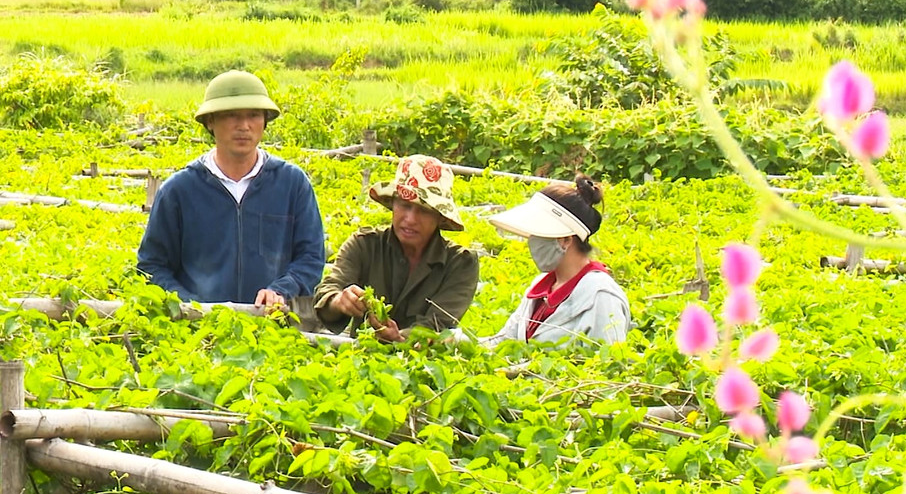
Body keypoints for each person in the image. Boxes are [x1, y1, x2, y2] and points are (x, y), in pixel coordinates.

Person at [137, 70, 325, 307]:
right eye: (231, 115)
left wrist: (280, 291)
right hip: (197, 333)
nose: (244, 126)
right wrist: (191, 306)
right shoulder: (179, 191)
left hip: (275, 330)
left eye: (254, 115)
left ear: (265, 121)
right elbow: (152, 266)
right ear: (210, 121)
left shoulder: (292, 184)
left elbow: (311, 258)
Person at [314, 155, 479, 342]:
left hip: (423, 364)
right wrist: (338, 301)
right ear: (393, 203)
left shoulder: (460, 263)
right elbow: (328, 290)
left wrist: (401, 338)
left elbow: (438, 324)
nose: (410, 219)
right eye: (404, 205)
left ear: (440, 217)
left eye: (423, 210)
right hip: (361, 359)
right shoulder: (364, 245)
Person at [486, 176, 631, 344]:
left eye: (540, 234)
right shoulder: (540, 287)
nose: (532, 242)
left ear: (565, 240)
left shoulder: (601, 296)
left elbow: (606, 363)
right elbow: (503, 342)